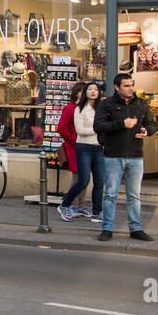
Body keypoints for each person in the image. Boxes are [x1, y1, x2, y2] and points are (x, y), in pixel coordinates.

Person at [93, 72, 156, 242]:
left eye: (132, 85)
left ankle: (136, 228)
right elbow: (98, 126)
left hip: (136, 155)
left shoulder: (141, 104)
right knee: (110, 194)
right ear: (117, 87)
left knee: (134, 195)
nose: (131, 89)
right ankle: (107, 228)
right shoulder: (107, 104)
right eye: (126, 86)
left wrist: (146, 131)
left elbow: (151, 123)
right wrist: (122, 124)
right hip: (113, 155)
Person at [58, 83, 104, 221]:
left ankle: (92, 209)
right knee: (81, 180)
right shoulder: (76, 109)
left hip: (98, 147)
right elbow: (67, 128)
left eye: (95, 89)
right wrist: (98, 129)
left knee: (98, 181)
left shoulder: (100, 109)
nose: (92, 92)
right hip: (81, 147)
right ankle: (68, 205)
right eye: (88, 89)